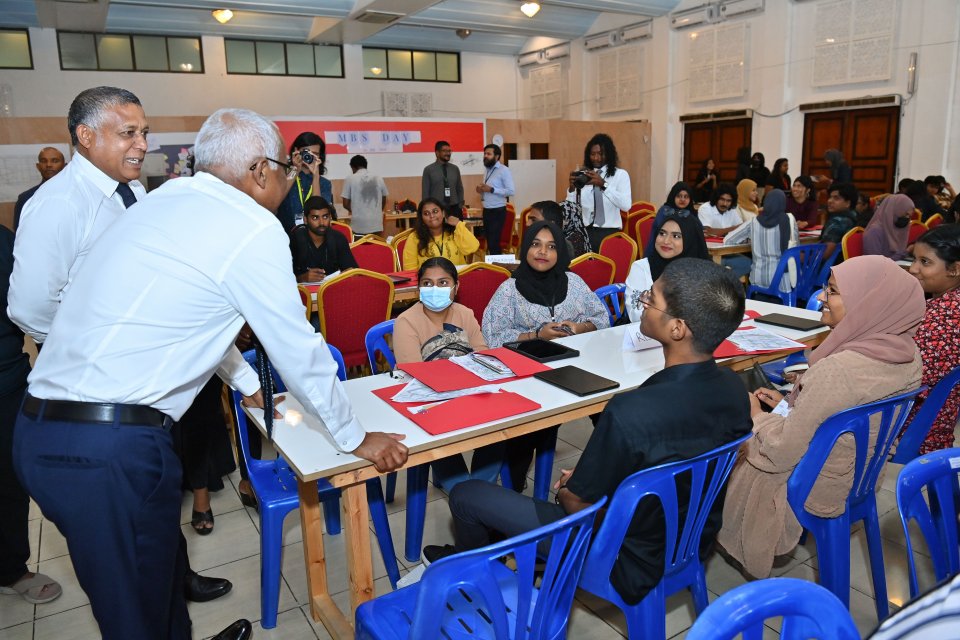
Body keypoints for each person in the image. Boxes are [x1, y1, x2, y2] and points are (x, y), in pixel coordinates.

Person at [12, 107, 409, 640]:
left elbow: (193, 318)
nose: (290, 183)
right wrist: (354, 434)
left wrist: (247, 388)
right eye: (288, 172)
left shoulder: (165, 202)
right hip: (106, 447)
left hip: (48, 430)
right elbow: (296, 347)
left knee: (157, 579)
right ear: (261, 171)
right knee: (135, 616)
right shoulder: (251, 227)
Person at [422, 259, 751, 608]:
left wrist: (569, 488)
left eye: (651, 298)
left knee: (468, 495)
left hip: (618, 556)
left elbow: (576, 503)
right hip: (688, 541)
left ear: (677, 329)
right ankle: (513, 557)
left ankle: (484, 590)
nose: (642, 301)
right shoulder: (734, 389)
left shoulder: (631, 411)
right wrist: (592, 479)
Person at [717, 255, 924, 579]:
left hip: (818, 480)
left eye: (833, 290)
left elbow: (781, 452)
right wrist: (792, 401)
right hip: (863, 473)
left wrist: (757, 415)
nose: (822, 297)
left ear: (867, 303)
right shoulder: (908, 354)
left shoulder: (838, 370)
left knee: (724, 445)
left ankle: (703, 538)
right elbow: (842, 408)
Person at [394, 256, 501, 491]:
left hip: (466, 390)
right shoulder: (406, 321)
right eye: (427, 283)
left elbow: (482, 355)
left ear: (456, 287)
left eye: (443, 283)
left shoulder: (465, 313)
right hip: (426, 398)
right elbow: (415, 372)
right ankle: (466, 493)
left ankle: (480, 492)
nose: (435, 289)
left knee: (500, 426)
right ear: (419, 287)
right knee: (437, 434)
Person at [0, 226, 61, 606]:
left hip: (5, 384)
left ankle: (10, 568)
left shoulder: (3, 240)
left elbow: (25, 306)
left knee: (9, 479)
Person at [482, 221, 609, 348]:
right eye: (535, 244)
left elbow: (602, 318)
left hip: (576, 356)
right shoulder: (508, 290)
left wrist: (580, 328)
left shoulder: (574, 282)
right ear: (526, 248)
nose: (543, 251)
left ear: (560, 251)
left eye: (552, 247)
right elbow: (493, 337)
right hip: (528, 361)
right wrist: (538, 336)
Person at [904, 225, 960, 454]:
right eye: (914, 259)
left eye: (925, 262)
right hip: (937, 419)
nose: (913, 269)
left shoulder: (946, 317)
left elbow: (911, 379)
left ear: (955, 269)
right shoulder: (945, 303)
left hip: (915, 423)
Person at [625, 212, 711, 322]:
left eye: (676, 236)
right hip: (645, 336)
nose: (666, 241)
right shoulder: (641, 267)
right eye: (662, 233)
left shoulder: (702, 271)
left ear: (690, 240)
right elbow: (636, 316)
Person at [564, 133, 632, 250]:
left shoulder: (620, 175)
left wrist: (603, 184)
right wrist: (572, 188)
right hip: (585, 232)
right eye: (593, 154)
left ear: (609, 154)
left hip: (610, 233)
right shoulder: (584, 175)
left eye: (601, 154)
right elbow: (571, 208)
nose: (596, 158)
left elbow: (626, 205)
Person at [724, 189, 799, 293]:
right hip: (782, 279)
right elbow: (795, 248)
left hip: (758, 279)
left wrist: (751, 240)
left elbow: (728, 240)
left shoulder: (753, 222)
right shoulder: (789, 219)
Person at [289, 196, 358, 282]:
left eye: (325, 217)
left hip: (333, 291)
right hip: (302, 293)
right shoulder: (294, 239)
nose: (321, 223)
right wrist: (302, 278)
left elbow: (354, 273)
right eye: (315, 218)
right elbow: (281, 278)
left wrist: (348, 274)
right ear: (306, 220)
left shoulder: (338, 238)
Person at [276, 131, 332, 232]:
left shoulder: (324, 183)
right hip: (285, 235)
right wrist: (295, 170)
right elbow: (277, 198)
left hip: (312, 237)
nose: (309, 157)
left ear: (320, 157)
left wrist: (316, 176)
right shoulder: (283, 175)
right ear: (296, 150)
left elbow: (318, 208)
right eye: (306, 152)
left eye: (314, 154)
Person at [402, 197, 479, 270]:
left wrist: (458, 224)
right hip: (429, 282)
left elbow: (473, 247)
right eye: (426, 213)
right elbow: (409, 269)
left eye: (435, 211)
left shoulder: (454, 232)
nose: (431, 216)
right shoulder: (415, 237)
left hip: (457, 279)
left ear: (443, 213)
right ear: (422, 218)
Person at [13, 147, 66, 230]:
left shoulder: (77, 194)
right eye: (44, 161)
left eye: (55, 161)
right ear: (38, 166)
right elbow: (19, 233)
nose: (48, 165)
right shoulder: (26, 198)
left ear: (65, 166)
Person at [476, 143, 515, 255]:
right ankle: (492, 267)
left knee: (494, 243)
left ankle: (497, 270)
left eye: (488, 154)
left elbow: (511, 191)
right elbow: (487, 189)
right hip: (487, 210)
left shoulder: (504, 170)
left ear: (497, 156)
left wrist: (492, 190)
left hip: (497, 211)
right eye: (484, 154)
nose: (485, 156)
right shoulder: (487, 170)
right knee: (489, 242)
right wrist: (481, 190)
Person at [645, 181, 698, 256]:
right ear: (673, 196)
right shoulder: (665, 211)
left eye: (686, 197)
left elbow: (699, 231)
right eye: (679, 196)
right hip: (662, 250)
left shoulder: (691, 213)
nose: (682, 199)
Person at [341, 154, 388, 238]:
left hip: (358, 225)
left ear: (353, 167)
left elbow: (345, 203)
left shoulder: (350, 179)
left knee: (360, 249)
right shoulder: (378, 178)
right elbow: (384, 198)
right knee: (376, 248)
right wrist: (376, 211)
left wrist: (357, 210)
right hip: (376, 224)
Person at [862, 193, 913, 260]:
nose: (907, 219)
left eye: (909, 216)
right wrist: (904, 252)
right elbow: (876, 263)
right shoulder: (875, 232)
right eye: (905, 214)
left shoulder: (898, 228)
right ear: (894, 211)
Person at [422, 140, 464, 215]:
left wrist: (460, 205)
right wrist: (427, 209)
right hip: (436, 209)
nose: (448, 153)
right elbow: (425, 193)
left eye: (449, 151)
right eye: (444, 151)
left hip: (454, 208)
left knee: (457, 227)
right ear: (437, 153)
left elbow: (459, 188)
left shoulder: (455, 169)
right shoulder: (428, 170)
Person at [819, 182, 859, 262]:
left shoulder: (837, 221)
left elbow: (826, 253)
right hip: (845, 266)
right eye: (830, 197)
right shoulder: (854, 216)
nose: (830, 201)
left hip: (830, 269)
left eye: (836, 198)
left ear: (848, 203)